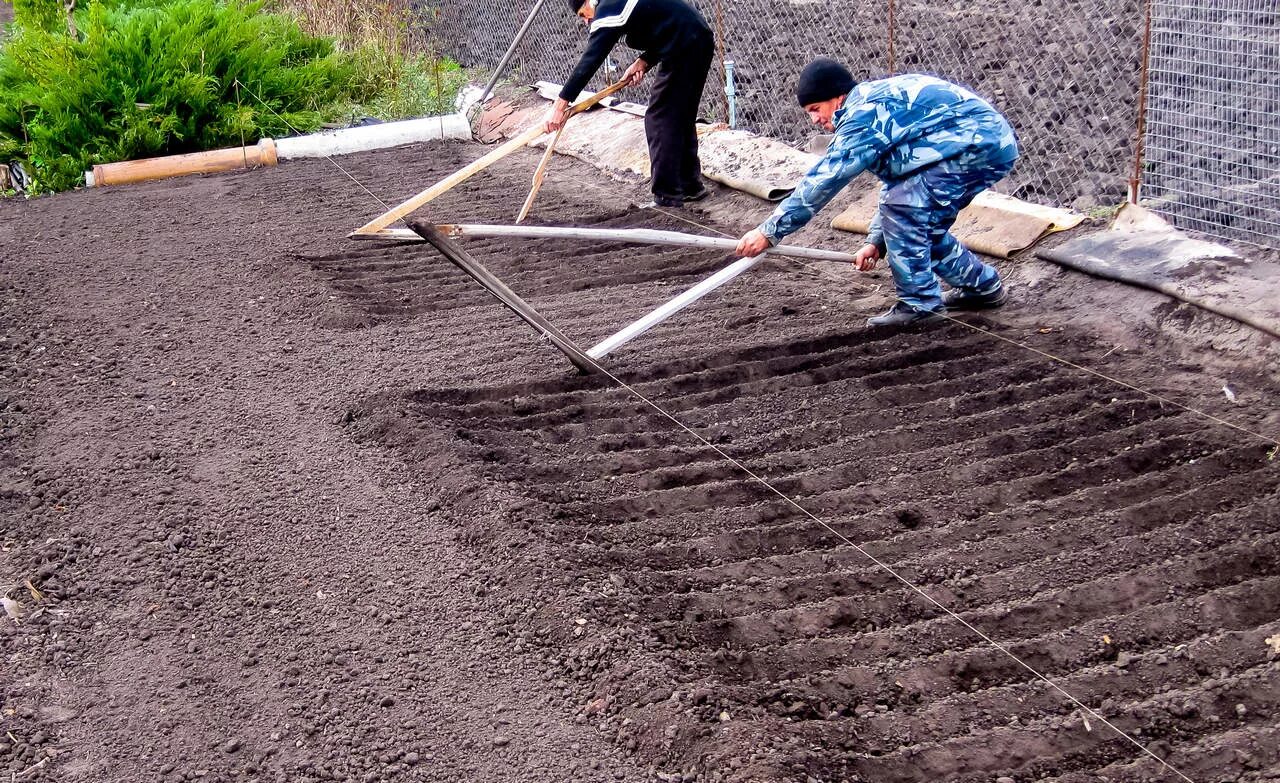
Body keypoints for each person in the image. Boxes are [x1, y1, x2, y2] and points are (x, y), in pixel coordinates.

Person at [735, 59, 1020, 327]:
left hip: (977, 146)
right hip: (981, 144)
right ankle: (981, 287)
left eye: (815, 109)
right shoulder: (869, 106)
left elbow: (825, 179)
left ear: (837, 97)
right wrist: (877, 241)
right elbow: (900, 179)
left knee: (907, 211)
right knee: (917, 218)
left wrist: (769, 231)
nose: (814, 120)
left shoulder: (863, 115)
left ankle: (920, 306)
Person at [546, 0, 714, 208]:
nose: (586, 20)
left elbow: (590, 60)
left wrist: (558, 107)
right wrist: (644, 61)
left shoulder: (608, 7)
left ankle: (666, 195)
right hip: (696, 39)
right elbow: (667, 21)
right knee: (680, 115)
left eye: (583, 13)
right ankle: (690, 186)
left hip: (684, 45)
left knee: (660, 118)